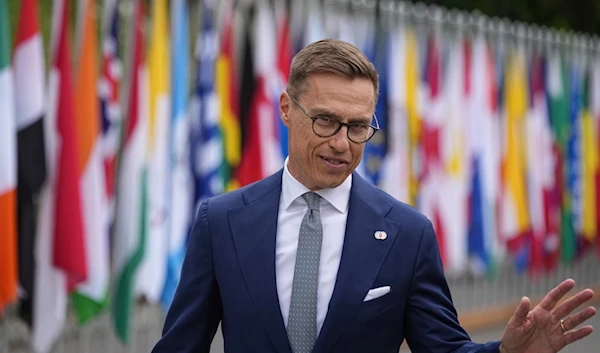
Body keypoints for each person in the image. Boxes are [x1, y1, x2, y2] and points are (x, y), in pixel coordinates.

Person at [152, 39, 596, 353]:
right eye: (325, 121)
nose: (342, 143)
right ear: (287, 109)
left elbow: (442, 349)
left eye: (359, 126)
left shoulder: (408, 233)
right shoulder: (222, 220)